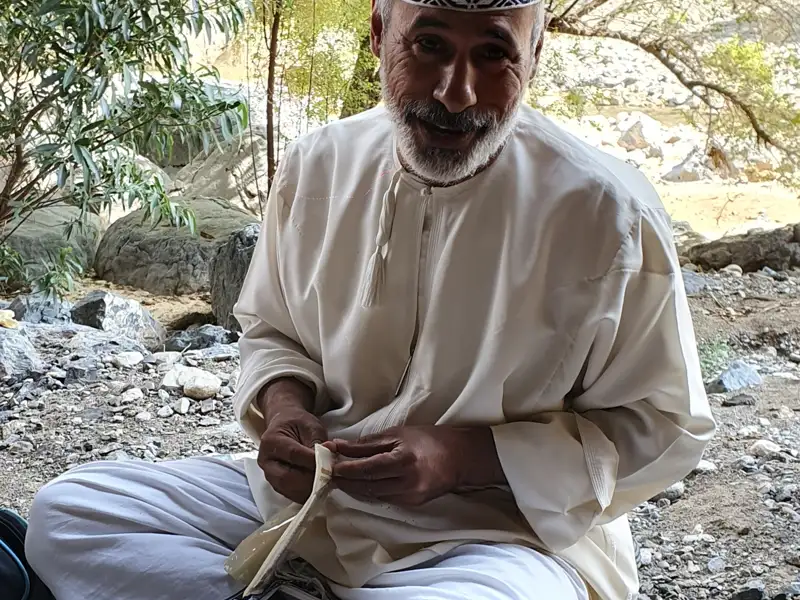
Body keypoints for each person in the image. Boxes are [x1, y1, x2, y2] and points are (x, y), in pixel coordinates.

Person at [24, 0, 717, 598]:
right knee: (70, 513)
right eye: (430, 45)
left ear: (535, 55)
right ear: (380, 33)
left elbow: (663, 428)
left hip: (498, 535)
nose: (455, 93)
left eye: (493, 55)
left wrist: (463, 458)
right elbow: (273, 329)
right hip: (311, 504)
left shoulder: (607, 213)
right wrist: (287, 410)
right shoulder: (318, 164)